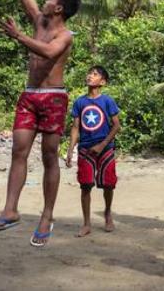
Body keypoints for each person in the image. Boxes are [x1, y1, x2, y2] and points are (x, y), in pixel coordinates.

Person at [0, 0, 81, 248]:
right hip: (29, 95)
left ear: (60, 8)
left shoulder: (64, 35)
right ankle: (10, 210)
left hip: (53, 97)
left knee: (49, 155)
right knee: (18, 151)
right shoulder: (40, 21)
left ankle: (47, 216)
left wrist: (18, 35)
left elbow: (47, 50)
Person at [66, 66, 121, 237]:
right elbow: (75, 127)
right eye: (89, 73)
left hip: (105, 149)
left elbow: (117, 125)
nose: (90, 76)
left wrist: (102, 144)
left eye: (95, 74)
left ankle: (108, 213)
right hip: (85, 149)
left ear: (102, 82)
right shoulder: (79, 102)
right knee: (85, 185)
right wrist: (70, 149)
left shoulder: (107, 101)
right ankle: (86, 223)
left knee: (108, 184)